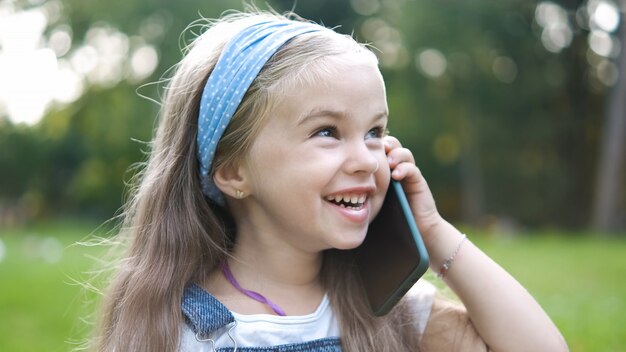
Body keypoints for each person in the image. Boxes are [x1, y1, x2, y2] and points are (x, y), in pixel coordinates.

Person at [93, 9, 568, 352]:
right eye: (327, 132)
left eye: (375, 132)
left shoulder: (387, 309)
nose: (367, 159)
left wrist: (433, 232)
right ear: (234, 171)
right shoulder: (178, 332)